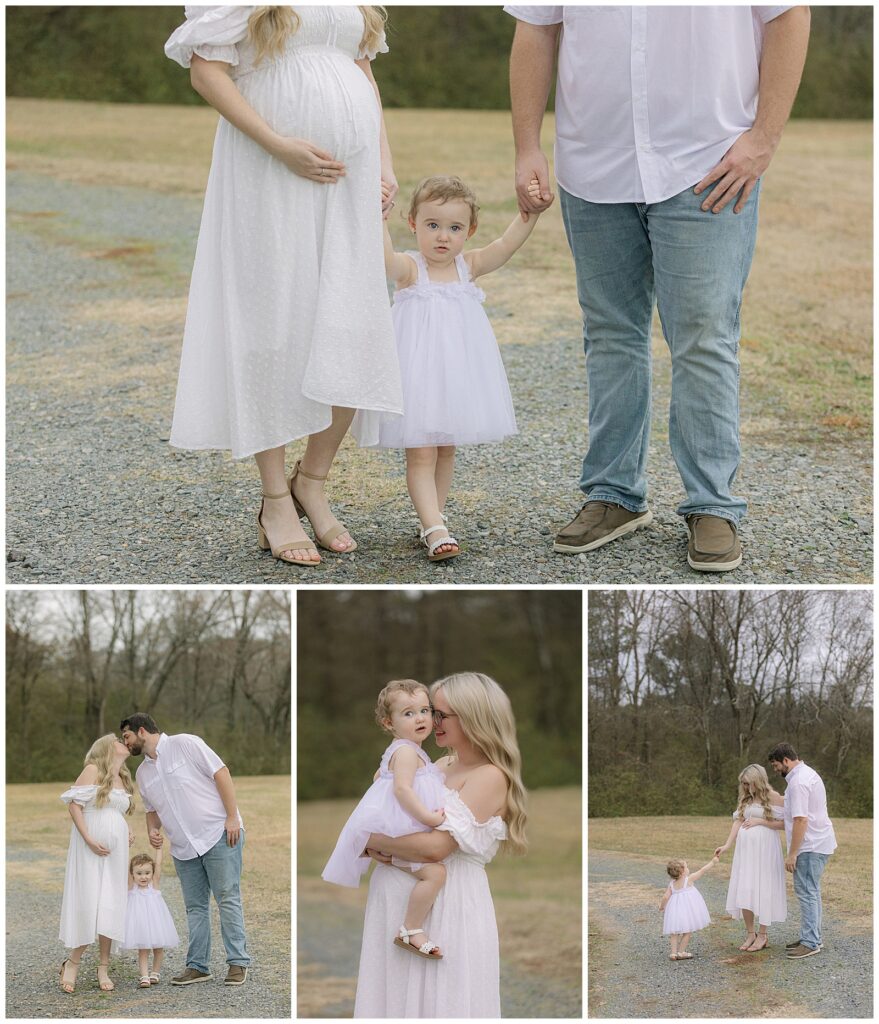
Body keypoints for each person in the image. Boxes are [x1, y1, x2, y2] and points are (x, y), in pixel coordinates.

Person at [506, 6, 811, 572]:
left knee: (702, 334)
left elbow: (789, 16)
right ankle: (613, 495)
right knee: (610, 332)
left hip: (708, 163)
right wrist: (528, 145)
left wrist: (764, 137)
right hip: (594, 163)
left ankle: (713, 504)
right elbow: (535, 29)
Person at [164, 6, 403, 567]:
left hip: (351, 175)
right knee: (271, 326)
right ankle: (275, 500)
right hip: (268, 171)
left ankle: (312, 480)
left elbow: (363, 73)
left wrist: (386, 164)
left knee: (352, 324)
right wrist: (277, 142)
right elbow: (206, 70)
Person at [377, 176, 548, 560]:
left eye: (454, 228)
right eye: (432, 226)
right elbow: (384, 259)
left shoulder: (467, 266)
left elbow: (504, 247)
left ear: (469, 231)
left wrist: (529, 216)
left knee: (446, 448)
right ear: (413, 224)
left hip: (455, 377)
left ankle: (432, 519)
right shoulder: (410, 268)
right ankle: (436, 527)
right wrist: (378, 220)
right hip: (418, 376)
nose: (443, 237)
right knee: (421, 452)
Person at [353, 672, 527, 1017]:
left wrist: (368, 838)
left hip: (449, 906)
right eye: (432, 711)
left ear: (474, 716)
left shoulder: (491, 776)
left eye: (441, 713)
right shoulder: (439, 764)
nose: (432, 720)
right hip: (396, 904)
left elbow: (436, 848)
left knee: (441, 1003)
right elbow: (393, 811)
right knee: (395, 1001)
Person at [120, 713, 250, 986]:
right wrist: (152, 830)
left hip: (218, 834)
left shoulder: (185, 744)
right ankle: (198, 966)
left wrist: (231, 818)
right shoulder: (142, 773)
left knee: (227, 898)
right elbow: (152, 811)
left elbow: (221, 773)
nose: (125, 742)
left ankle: (238, 962)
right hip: (183, 848)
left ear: (141, 731)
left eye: (126, 736)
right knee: (195, 907)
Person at [322, 680, 447, 958]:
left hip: (401, 827)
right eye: (408, 713)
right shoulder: (405, 751)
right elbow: (401, 789)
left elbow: (379, 778)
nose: (420, 718)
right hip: (402, 829)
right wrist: (429, 817)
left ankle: (411, 923)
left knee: (432, 869)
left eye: (424, 710)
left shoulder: (406, 750)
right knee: (435, 873)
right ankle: (411, 929)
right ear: (388, 723)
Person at [59, 735, 135, 994]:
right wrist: (89, 839)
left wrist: (127, 831)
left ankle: (103, 967)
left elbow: (115, 813)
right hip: (89, 848)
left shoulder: (124, 777)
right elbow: (74, 805)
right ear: (107, 747)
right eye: (118, 739)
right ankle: (73, 963)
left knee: (111, 903)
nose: (123, 741)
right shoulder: (93, 770)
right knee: (89, 901)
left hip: (116, 852)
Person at [768, 742, 837, 959]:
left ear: (786, 760)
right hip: (818, 842)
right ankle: (812, 937)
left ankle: (810, 942)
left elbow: (800, 819)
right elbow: (789, 811)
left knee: (807, 893)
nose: (775, 769)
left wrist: (792, 853)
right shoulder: (805, 775)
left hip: (810, 846)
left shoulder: (798, 782)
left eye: (776, 765)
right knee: (812, 892)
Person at [714, 764, 787, 951]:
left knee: (763, 887)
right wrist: (727, 844)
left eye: (749, 784)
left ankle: (763, 935)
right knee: (745, 887)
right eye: (744, 784)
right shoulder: (746, 798)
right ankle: (750, 933)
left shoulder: (775, 798)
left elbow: (785, 824)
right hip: (745, 851)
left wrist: (761, 821)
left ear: (758, 780)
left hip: (766, 849)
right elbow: (738, 821)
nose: (746, 788)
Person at [123, 844, 180, 988]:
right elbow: (125, 864)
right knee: (143, 949)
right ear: (133, 874)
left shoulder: (154, 885)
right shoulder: (131, 887)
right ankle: (144, 976)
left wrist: (159, 849)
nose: (144, 877)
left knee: (158, 948)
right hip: (140, 923)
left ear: (152, 873)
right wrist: (127, 848)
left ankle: (155, 973)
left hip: (156, 921)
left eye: (147, 873)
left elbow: (158, 864)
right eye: (139, 873)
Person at [659, 856, 718, 961]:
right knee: (687, 931)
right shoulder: (688, 879)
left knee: (674, 932)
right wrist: (713, 862)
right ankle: (681, 952)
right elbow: (702, 870)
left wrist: (662, 906)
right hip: (687, 911)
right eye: (686, 867)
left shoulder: (672, 884)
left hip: (675, 910)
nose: (688, 869)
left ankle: (673, 953)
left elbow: (665, 897)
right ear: (682, 872)